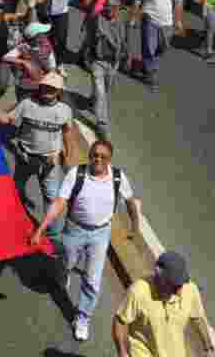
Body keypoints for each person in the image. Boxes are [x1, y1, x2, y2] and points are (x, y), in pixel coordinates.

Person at [31, 139, 141, 342]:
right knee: (66, 265)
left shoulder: (118, 178)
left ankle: (82, 317)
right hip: (74, 230)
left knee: (92, 280)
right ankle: (63, 273)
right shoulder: (77, 174)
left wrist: (136, 226)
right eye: (94, 155)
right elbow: (60, 202)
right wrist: (41, 228)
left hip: (100, 233)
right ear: (90, 156)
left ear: (110, 160)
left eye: (103, 156)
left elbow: (131, 202)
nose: (98, 159)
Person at [0, 72, 77, 247]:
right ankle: (11, 222)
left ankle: (53, 235)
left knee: (52, 198)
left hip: (50, 162)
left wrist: (68, 157)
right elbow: (8, 118)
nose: (48, 90)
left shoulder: (64, 111)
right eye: (46, 87)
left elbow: (68, 134)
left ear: (59, 92)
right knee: (16, 190)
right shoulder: (26, 104)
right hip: (25, 158)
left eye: (53, 88)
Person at [113, 251, 215, 357]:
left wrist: (209, 348)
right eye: (174, 285)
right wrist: (122, 352)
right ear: (159, 275)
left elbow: (198, 318)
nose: (179, 291)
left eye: (181, 284)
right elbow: (120, 321)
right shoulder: (139, 291)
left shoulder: (190, 289)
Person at [129, 0, 184, 91]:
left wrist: (178, 21)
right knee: (149, 47)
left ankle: (146, 65)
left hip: (167, 23)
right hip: (150, 19)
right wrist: (134, 17)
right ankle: (151, 75)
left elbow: (178, 2)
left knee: (163, 47)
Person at [85, 0, 125, 139]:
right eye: (108, 6)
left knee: (105, 91)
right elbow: (89, 36)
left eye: (114, 7)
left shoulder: (121, 23)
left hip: (113, 63)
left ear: (118, 9)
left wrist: (126, 57)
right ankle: (103, 125)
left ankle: (92, 100)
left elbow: (124, 41)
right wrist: (87, 55)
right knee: (101, 94)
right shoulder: (97, 19)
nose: (110, 9)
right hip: (98, 61)